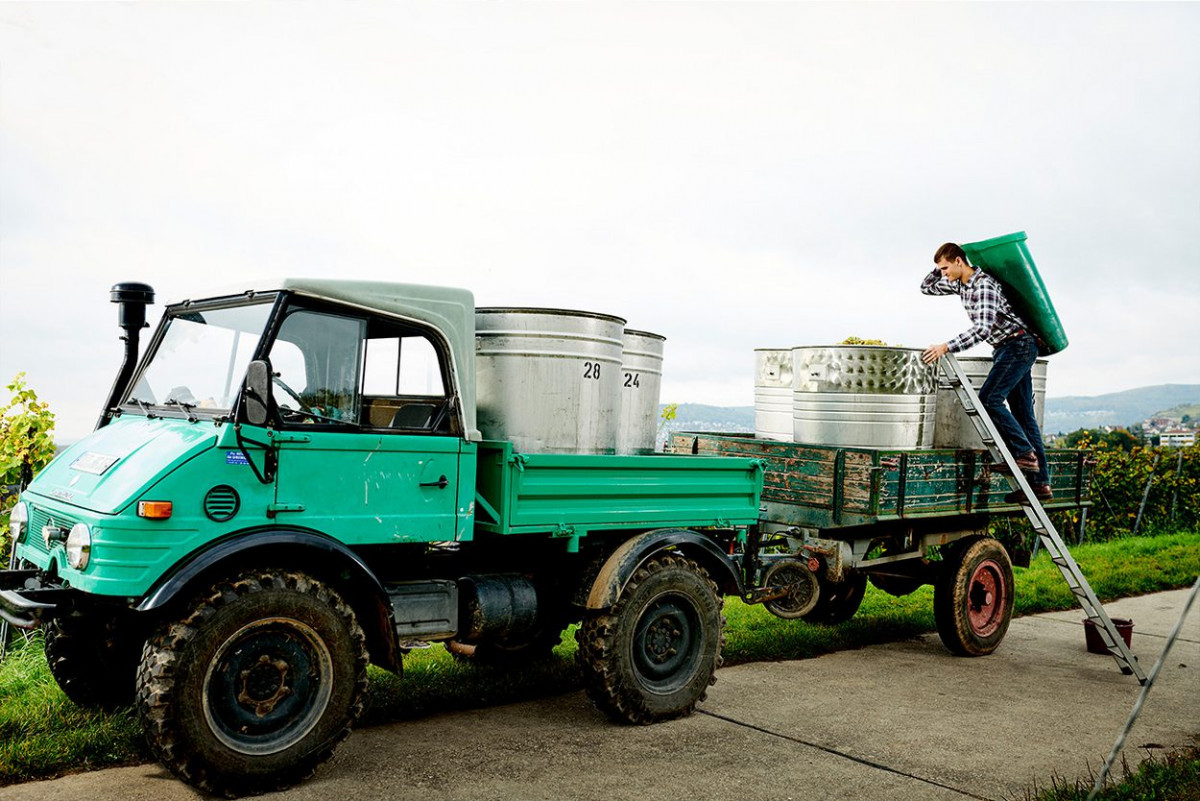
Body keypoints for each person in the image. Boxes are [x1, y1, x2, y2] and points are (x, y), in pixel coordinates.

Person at [920, 242, 1051, 502]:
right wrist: (937, 269)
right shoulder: (958, 284)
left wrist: (946, 346)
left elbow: (983, 329)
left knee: (988, 399)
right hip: (1008, 347)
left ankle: (1024, 454)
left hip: (1018, 344)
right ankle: (1041, 485)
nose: (943, 274)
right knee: (1024, 415)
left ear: (959, 261)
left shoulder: (984, 286)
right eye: (941, 270)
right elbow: (926, 287)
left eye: (946, 267)